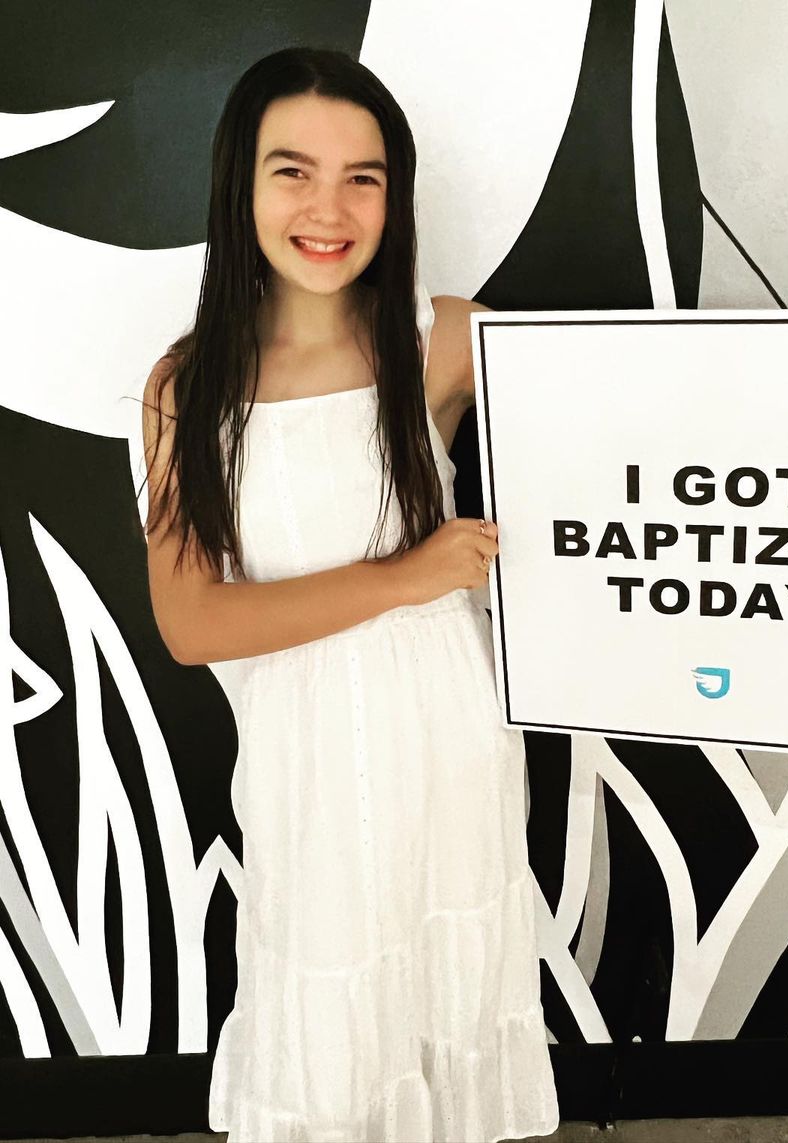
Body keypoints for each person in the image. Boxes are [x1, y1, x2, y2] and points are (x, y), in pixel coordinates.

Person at [140, 47, 560, 1143]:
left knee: (448, 1002)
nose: (328, 209)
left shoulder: (441, 338)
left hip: (452, 745)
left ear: (394, 194)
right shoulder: (189, 387)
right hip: (307, 773)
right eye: (293, 172)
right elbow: (192, 621)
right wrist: (405, 577)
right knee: (327, 1025)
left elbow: (652, 438)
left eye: (362, 178)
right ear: (241, 185)